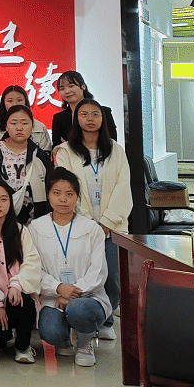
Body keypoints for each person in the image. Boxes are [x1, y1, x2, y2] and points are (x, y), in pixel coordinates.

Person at [53, 98, 131, 340]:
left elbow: (123, 186)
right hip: (80, 225)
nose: (90, 119)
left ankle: (106, 319)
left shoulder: (116, 150)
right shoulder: (66, 151)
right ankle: (84, 321)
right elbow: (66, 187)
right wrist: (89, 222)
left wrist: (106, 221)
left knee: (111, 277)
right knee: (84, 274)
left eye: (95, 114)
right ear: (76, 118)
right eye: (84, 114)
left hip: (112, 226)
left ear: (102, 118)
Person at [28, 168, 111, 367]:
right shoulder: (36, 228)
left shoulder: (91, 229)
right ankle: (64, 339)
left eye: (69, 194)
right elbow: (33, 268)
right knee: (50, 332)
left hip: (88, 297)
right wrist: (58, 288)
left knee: (79, 310)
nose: (63, 199)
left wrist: (72, 293)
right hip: (52, 297)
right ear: (48, 195)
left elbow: (98, 271)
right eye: (57, 193)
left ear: (77, 197)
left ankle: (84, 343)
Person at [0, 179, 42, 364]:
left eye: (4, 199)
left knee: (24, 302)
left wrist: (16, 284)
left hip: (16, 295)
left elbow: (32, 262)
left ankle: (23, 347)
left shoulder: (21, 231)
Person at [0, 105, 53, 223]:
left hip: (35, 221)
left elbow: (49, 186)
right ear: (6, 126)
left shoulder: (39, 155)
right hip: (1, 217)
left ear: (32, 126)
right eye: (13, 123)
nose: (19, 128)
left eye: (24, 123)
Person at [52, 71, 118, 146]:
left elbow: (112, 141)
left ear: (83, 86)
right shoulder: (59, 118)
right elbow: (56, 147)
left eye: (71, 86)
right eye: (62, 88)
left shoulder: (104, 112)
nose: (67, 91)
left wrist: (70, 146)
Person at [0, 85, 53, 152]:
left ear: (26, 101)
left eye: (19, 100)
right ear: (3, 103)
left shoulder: (40, 128)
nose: (15, 104)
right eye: (10, 101)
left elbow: (46, 155)